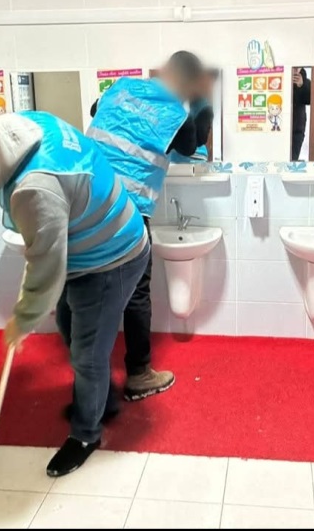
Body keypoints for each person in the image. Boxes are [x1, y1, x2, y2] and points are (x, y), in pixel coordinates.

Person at [0, 105, 149, 477]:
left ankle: (86, 435)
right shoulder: (26, 124)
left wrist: (22, 320)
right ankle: (102, 400)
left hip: (112, 256)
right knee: (70, 326)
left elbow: (47, 269)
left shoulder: (35, 188)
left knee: (87, 353)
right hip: (88, 243)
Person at [86, 51, 208, 401]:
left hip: (85, 199)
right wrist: (201, 106)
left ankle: (90, 375)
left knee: (88, 287)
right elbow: (192, 145)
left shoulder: (120, 87)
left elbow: (95, 110)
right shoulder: (177, 115)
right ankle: (139, 374)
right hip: (127, 211)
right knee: (136, 291)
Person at [292, 67, 311, 160]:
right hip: (279, 128)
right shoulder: (279, 79)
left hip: (297, 130)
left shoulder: (306, 82)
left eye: (298, 68)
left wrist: (301, 86)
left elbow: (309, 100)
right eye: (294, 68)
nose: (295, 70)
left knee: (293, 159)